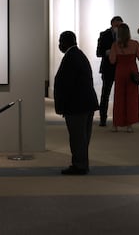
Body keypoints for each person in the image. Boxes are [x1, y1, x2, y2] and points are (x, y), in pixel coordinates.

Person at [53, 30, 99, 175]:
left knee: (78, 137)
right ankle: (81, 163)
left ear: (65, 42)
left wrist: (62, 106)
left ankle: (79, 165)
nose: (59, 45)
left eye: (60, 41)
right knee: (83, 137)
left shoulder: (71, 57)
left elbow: (66, 84)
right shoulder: (78, 55)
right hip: (85, 103)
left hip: (77, 105)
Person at [108, 23, 139, 132]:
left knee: (119, 98)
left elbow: (112, 61)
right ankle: (129, 125)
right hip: (132, 72)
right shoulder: (135, 44)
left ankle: (116, 125)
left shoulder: (115, 45)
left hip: (120, 72)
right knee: (131, 98)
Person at [96, 15, 123, 126]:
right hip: (108, 68)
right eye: (117, 25)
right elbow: (98, 52)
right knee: (105, 94)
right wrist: (109, 52)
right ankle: (103, 118)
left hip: (121, 68)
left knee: (120, 94)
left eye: (120, 25)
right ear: (112, 24)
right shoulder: (104, 34)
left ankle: (120, 118)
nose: (118, 27)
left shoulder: (123, 35)